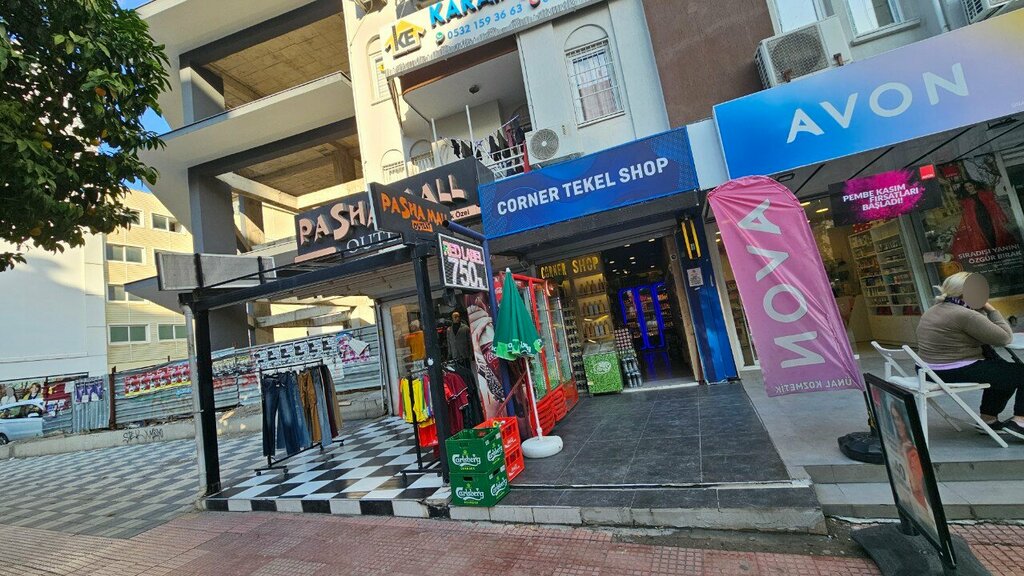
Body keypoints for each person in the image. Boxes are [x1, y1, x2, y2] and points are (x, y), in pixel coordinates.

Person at [916, 272, 1024, 440]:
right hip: (951, 370)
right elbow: (1004, 338)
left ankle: (988, 420)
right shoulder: (965, 314)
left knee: (1003, 371)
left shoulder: (934, 310)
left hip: (927, 369)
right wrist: (991, 309)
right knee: (1018, 372)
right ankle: (1020, 422)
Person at [949, 180, 1018, 256]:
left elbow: (994, 205)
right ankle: (992, 252)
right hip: (977, 220)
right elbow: (967, 213)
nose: (968, 188)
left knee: (994, 232)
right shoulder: (966, 200)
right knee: (984, 235)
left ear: (974, 185)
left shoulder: (984, 194)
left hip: (989, 217)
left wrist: (1001, 216)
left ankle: (998, 249)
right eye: (966, 187)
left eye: (970, 186)